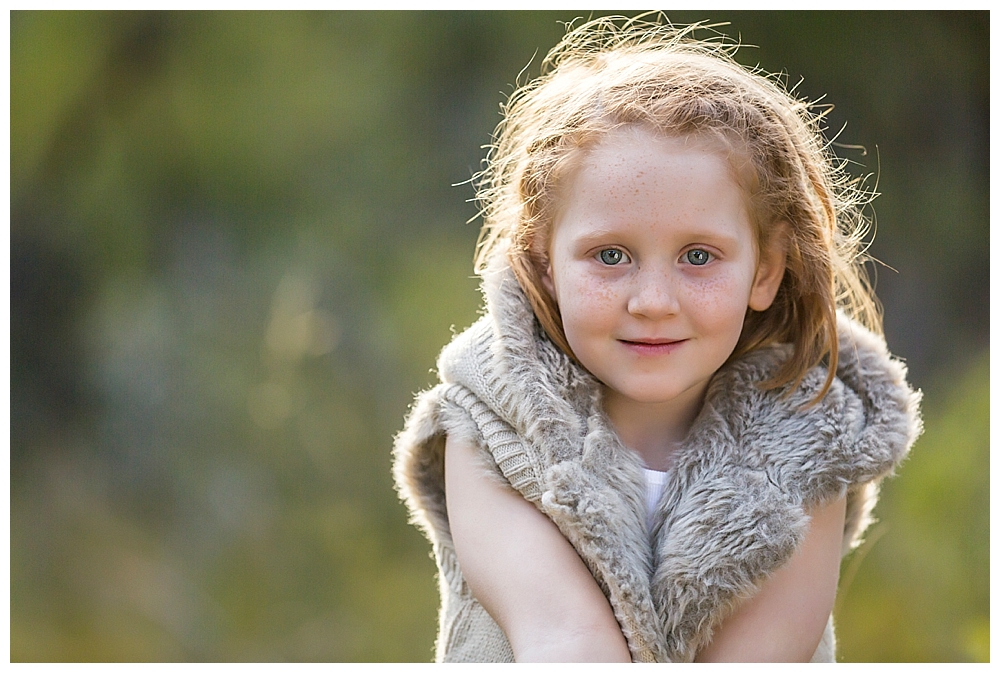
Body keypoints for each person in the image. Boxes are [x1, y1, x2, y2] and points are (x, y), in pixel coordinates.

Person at [393, 15, 922, 662]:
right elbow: (566, 640)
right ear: (542, 261)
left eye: (698, 256)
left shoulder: (810, 433)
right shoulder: (488, 425)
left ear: (765, 270)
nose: (652, 302)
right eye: (610, 255)